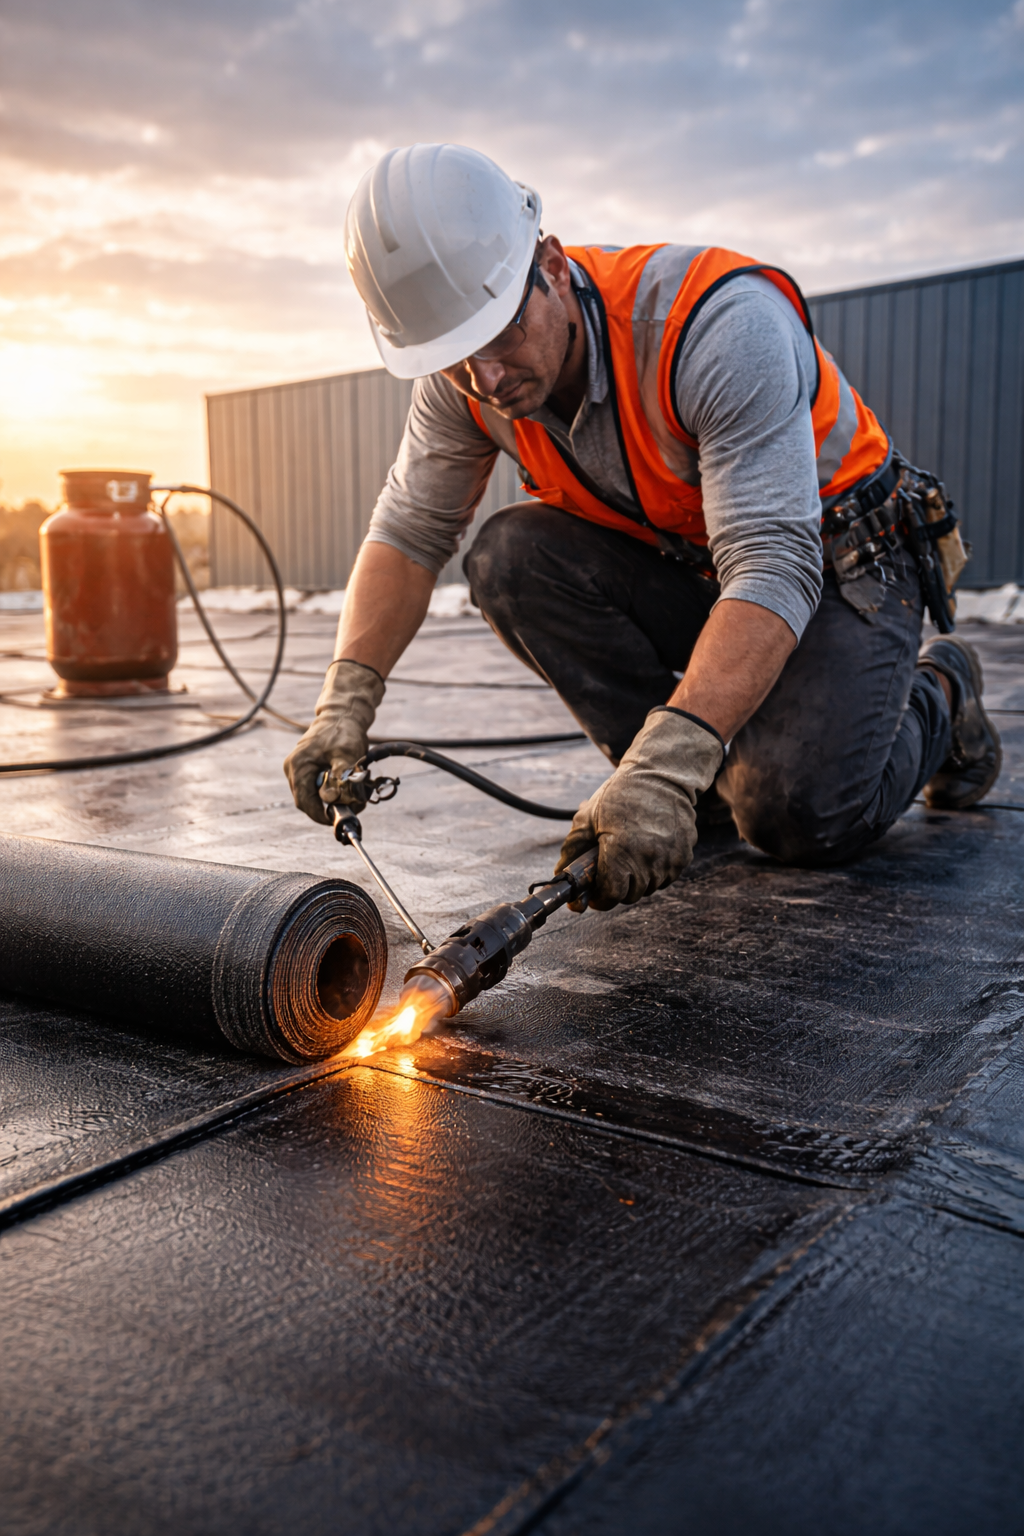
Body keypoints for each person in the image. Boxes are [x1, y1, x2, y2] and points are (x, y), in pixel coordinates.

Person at [284, 143, 1001, 910]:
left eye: (500, 335)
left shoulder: (716, 326)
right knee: (510, 556)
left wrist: (670, 764)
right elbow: (409, 533)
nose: (486, 379)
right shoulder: (464, 382)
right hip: (707, 569)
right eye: (458, 357)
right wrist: (344, 704)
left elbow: (773, 563)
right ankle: (686, 787)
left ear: (551, 266)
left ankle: (941, 687)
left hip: (841, 563)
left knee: (800, 816)